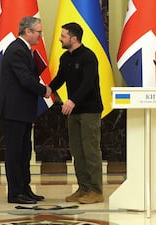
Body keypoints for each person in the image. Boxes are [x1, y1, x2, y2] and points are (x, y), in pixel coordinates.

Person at [0, 16, 51, 204]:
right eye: (38, 32)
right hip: (13, 111)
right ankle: (15, 193)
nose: (40, 36)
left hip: (22, 111)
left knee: (25, 152)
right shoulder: (17, 50)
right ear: (28, 31)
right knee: (15, 153)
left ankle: (25, 189)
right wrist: (45, 90)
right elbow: (25, 79)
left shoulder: (24, 49)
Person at [49, 22, 104, 204]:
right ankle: (83, 188)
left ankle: (96, 191)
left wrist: (72, 101)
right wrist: (47, 89)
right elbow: (60, 79)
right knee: (77, 151)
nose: (60, 39)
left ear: (74, 38)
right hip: (73, 112)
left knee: (91, 151)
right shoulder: (65, 58)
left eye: (63, 36)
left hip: (89, 110)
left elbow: (88, 84)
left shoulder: (89, 57)